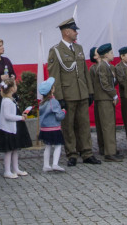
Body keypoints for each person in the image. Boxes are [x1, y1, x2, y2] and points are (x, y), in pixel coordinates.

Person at [46, 17, 98, 166]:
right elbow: (54, 75)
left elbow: (84, 72)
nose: (76, 33)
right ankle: (72, 154)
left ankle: (87, 152)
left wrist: (90, 92)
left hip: (81, 93)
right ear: (67, 32)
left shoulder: (79, 48)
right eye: (74, 30)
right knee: (68, 126)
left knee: (84, 124)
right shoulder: (55, 51)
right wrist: (59, 97)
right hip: (68, 95)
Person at [89, 43, 121, 162]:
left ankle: (110, 149)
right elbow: (105, 84)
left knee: (109, 125)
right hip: (104, 99)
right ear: (106, 54)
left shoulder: (106, 65)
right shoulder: (102, 66)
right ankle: (109, 152)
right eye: (111, 53)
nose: (113, 55)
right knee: (108, 125)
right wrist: (114, 95)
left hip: (106, 98)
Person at [0, 77, 30, 179]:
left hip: (12, 128)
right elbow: (7, 116)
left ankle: (16, 168)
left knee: (15, 149)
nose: (16, 86)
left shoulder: (11, 99)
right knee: (8, 151)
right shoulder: (6, 101)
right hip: (7, 129)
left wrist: (21, 114)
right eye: (15, 85)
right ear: (11, 89)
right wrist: (20, 117)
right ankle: (7, 170)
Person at [37, 77, 66, 172]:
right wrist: (63, 112)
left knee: (47, 146)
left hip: (44, 128)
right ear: (52, 90)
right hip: (54, 128)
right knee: (58, 145)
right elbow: (59, 116)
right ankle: (55, 164)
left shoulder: (41, 103)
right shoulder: (53, 102)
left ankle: (46, 165)